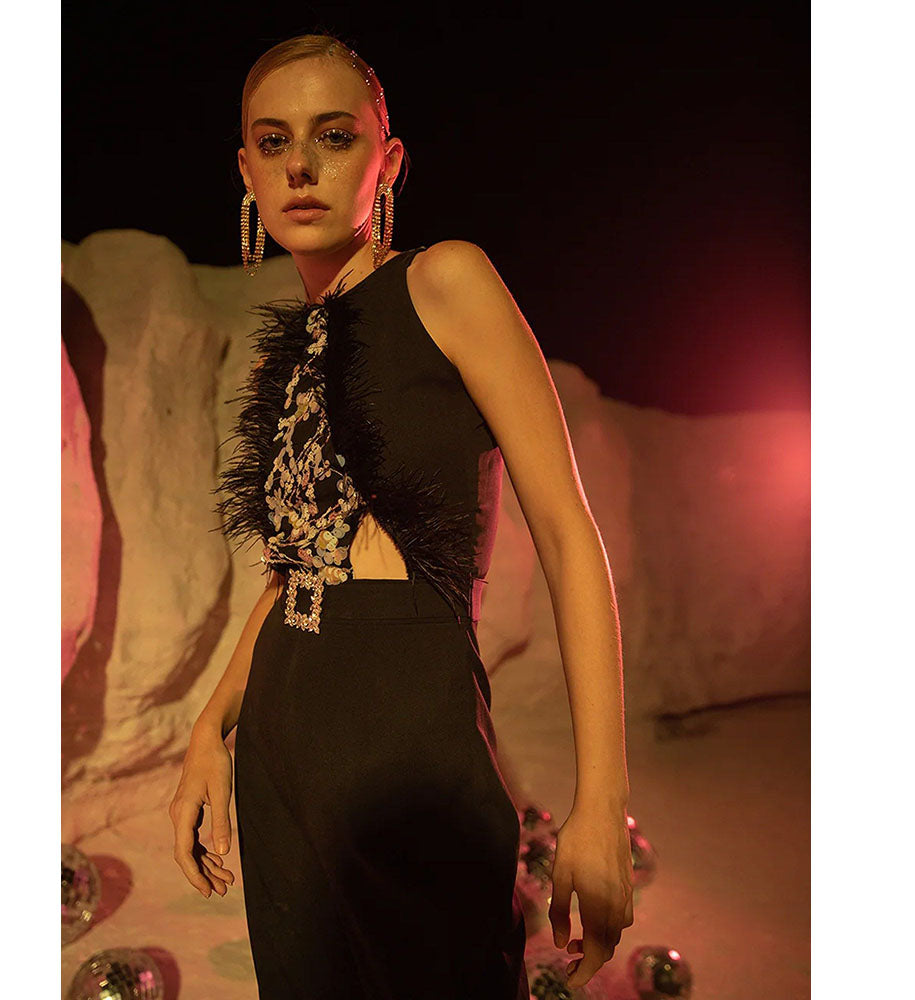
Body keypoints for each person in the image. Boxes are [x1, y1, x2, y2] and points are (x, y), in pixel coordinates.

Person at [168, 34, 633, 999]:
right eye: (273, 141)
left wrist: (601, 799)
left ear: (389, 160)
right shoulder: (294, 349)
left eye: (334, 136)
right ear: (246, 171)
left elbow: (565, 532)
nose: (300, 165)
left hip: (403, 727)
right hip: (281, 735)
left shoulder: (445, 281)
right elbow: (298, 569)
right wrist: (210, 729)